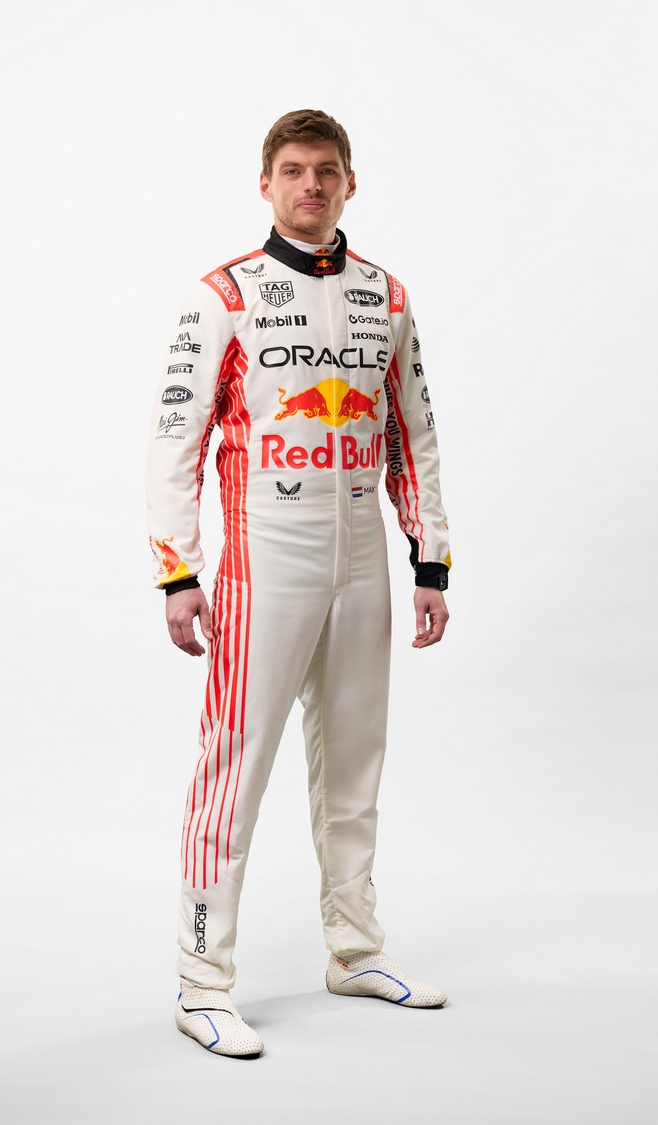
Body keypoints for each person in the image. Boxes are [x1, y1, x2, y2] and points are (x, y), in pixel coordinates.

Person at [146, 109, 451, 1058]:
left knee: (356, 763)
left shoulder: (386, 295)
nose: (310, 185)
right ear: (266, 184)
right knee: (232, 766)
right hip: (261, 563)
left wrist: (431, 558)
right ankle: (201, 980)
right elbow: (175, 440)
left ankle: (354, 949)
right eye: (293, 170)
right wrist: (177, 570)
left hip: (363, 563)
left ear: (350, 183)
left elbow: (414, 435)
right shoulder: (223, 295)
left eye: (326, 170)